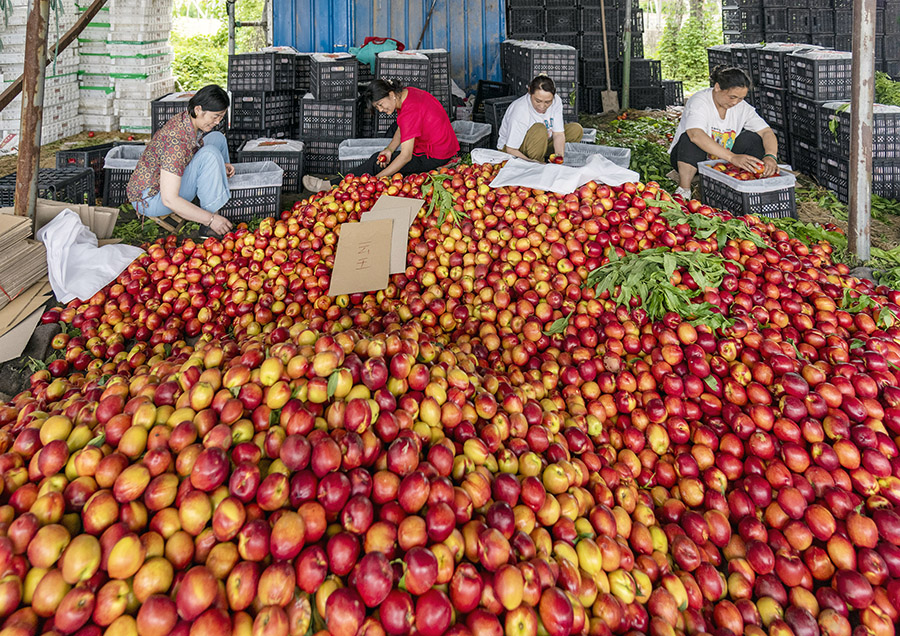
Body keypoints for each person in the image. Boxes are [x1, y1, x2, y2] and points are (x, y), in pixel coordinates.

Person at [302, 79, 459, 192]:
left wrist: (377, 178)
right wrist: (389, 149)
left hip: (435, 154)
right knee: (382, 156)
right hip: (441, 145)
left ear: (391, 95)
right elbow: (403, 127)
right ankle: (338, 183)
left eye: (380, 105)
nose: (381, 110)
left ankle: (329, 186)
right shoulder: (407, 94)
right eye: (378, 108)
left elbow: (406, 156)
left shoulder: (410, 111)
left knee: (376, 164)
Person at [126, 84, 234, 237]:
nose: (217, 122)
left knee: (217, 139)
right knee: (210, 154)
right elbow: (169, 199)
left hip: (163, 183)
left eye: (221, 117)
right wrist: (210, 219)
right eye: (215, 117)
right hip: (151, 199)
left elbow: (192, 149)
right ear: (198, 110)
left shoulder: (188, 120)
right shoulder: (176, 142)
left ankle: (210, 199)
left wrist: (219, 166)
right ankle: (210, 224)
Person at [669, 66, 779, 200]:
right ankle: (684, 189)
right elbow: (695, 134)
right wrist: (733, 157)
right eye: (732, 97)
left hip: (722, 161)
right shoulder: (700, 101)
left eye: (740, 98)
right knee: (689, 138)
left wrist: (771, 156)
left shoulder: (742, 107)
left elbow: (766, 132)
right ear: (717, 87)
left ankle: (753, 181)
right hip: (692, 159)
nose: (735, 102)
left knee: (753, 138)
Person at [496, 75, 583, 162]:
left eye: (548, 102)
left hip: (541, 143)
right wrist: (534, 164)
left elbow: (558, 134)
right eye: (538, 101)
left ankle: (547, 159)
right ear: (530, 92)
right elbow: (511, 149)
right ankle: (539, 163)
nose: (542, 106)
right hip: (514, 150)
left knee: (575, 130)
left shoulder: (556, 101)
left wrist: (558, 158)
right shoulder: (520, 110)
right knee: (540, 129)